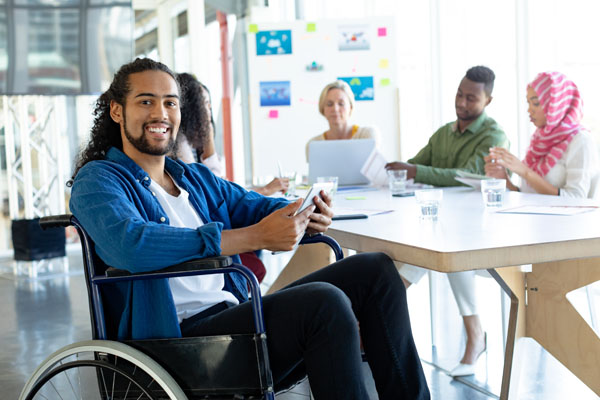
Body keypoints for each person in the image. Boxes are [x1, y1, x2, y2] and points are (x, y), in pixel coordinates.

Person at [68, 58, 430, 399]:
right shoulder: (99, 180)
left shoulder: (192, 177)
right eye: (146, 102)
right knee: (324, 303)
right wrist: (253, 236)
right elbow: (131, 245)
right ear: (117, 110)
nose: (161, 113)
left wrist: (303, 213)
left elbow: (253, 206)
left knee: (376, 270)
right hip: (177, 342)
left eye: (170, 103)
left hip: (233, 317)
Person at [385, 66, 509, 376]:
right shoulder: (443, 133)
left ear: (488, 100)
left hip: (483, 233)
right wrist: (400, 169)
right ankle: (376, 313)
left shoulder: (493, 134)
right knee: (427, 247)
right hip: (446, 228)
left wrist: (415, 172)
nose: (462, 102)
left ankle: (373, 316)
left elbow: (466, 177)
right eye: (459, 93)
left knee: (443, 248)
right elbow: (417, 163)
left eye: (471, 97)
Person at [485, 71, 600, 198]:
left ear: (557, 104)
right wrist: (505, 181)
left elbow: (576, 198)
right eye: (528, 103)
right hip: (534, 217)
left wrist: (524, 171)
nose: (529, 110)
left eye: (536, 103)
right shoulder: (539, 139)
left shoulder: (581, 140)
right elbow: (530, 196)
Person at [175, 72, 288, 196]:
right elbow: (213, 192)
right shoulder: (179, 142)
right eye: (205, 104)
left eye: (209, 104)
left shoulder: (192, 141)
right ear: (190, 107)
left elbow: (217, 185)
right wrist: (265, 190)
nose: (209, 110)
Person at [305, 80, 380, 159]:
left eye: (341, 104)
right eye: (329, 104)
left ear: (350, 108)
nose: (335, 109)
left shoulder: (367, 135)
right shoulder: (313, 145)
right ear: (322, 108)